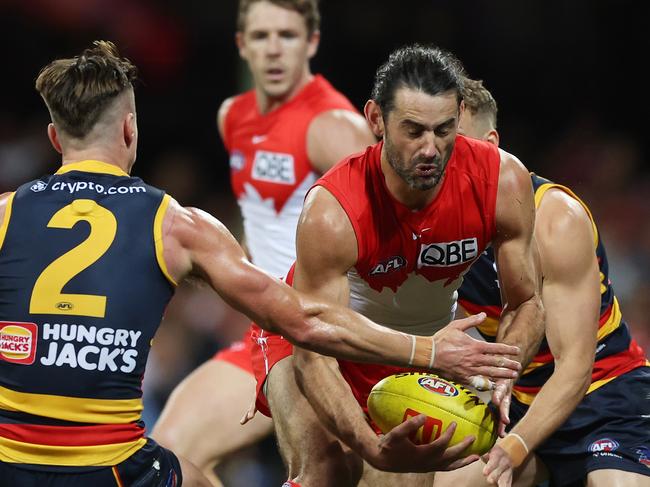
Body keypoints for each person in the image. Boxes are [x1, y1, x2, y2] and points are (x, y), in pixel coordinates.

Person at [0, 41, 516, 486]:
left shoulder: (5, 214)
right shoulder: (177, 225)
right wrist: (427, 351)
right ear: (131, 131)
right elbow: (306, 320)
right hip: (110, 466)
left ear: (53, 138)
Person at [246, 44, 546, 487]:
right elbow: (314, 350)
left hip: (422, 354)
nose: (431, 148)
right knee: (327, 470)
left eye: (444, 129)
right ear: (375, 119)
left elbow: (527, 303)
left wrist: (503, 372)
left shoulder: (503, 181)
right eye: (413, 130)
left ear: (461, 114)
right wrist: (369, 448)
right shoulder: (333, 209)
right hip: (318, 339)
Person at [151, 0, 377, 483]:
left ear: (312, 42)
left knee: (320, 472)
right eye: (261, 37)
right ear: (242, 45)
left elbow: (384, 246)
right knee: (168, 454)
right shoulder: (233, 117)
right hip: (263, 333)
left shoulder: (334, 128)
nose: (274, 50)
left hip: (320, 337)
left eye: (288, 36)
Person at [433, 79, 650, 487]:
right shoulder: (430, 226)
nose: (437, 155)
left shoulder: (555, 218)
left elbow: (575, 368)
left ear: (491, 144)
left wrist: (513, 448)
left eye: (453, 141)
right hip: (509, 399)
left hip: (604, 397)